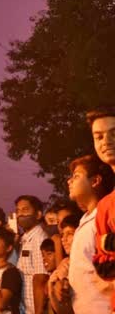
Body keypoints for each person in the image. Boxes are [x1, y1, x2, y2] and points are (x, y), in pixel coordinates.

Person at [65, 154, 113, 312]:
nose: (69, 181)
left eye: (76, 176)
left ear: (95, 181)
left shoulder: (106, 217)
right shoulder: (85, 221)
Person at [89, 107, 115, 311]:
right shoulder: (105, 205)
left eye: (113, 133)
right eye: (99, 137)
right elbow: (102, 265)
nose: (106, 141)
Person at [14, 195, 49, 314]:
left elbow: (41, 278)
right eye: (18, 211)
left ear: (38, 215)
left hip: (33, 309)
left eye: (25, 210)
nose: (20, 215)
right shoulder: (24, 238)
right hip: (24, 308)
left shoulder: (39, 238)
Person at [47, 216, 78, 314]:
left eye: (70, 234)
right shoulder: (65, 264)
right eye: (62, 235)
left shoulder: (90, 264)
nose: (64, 239)